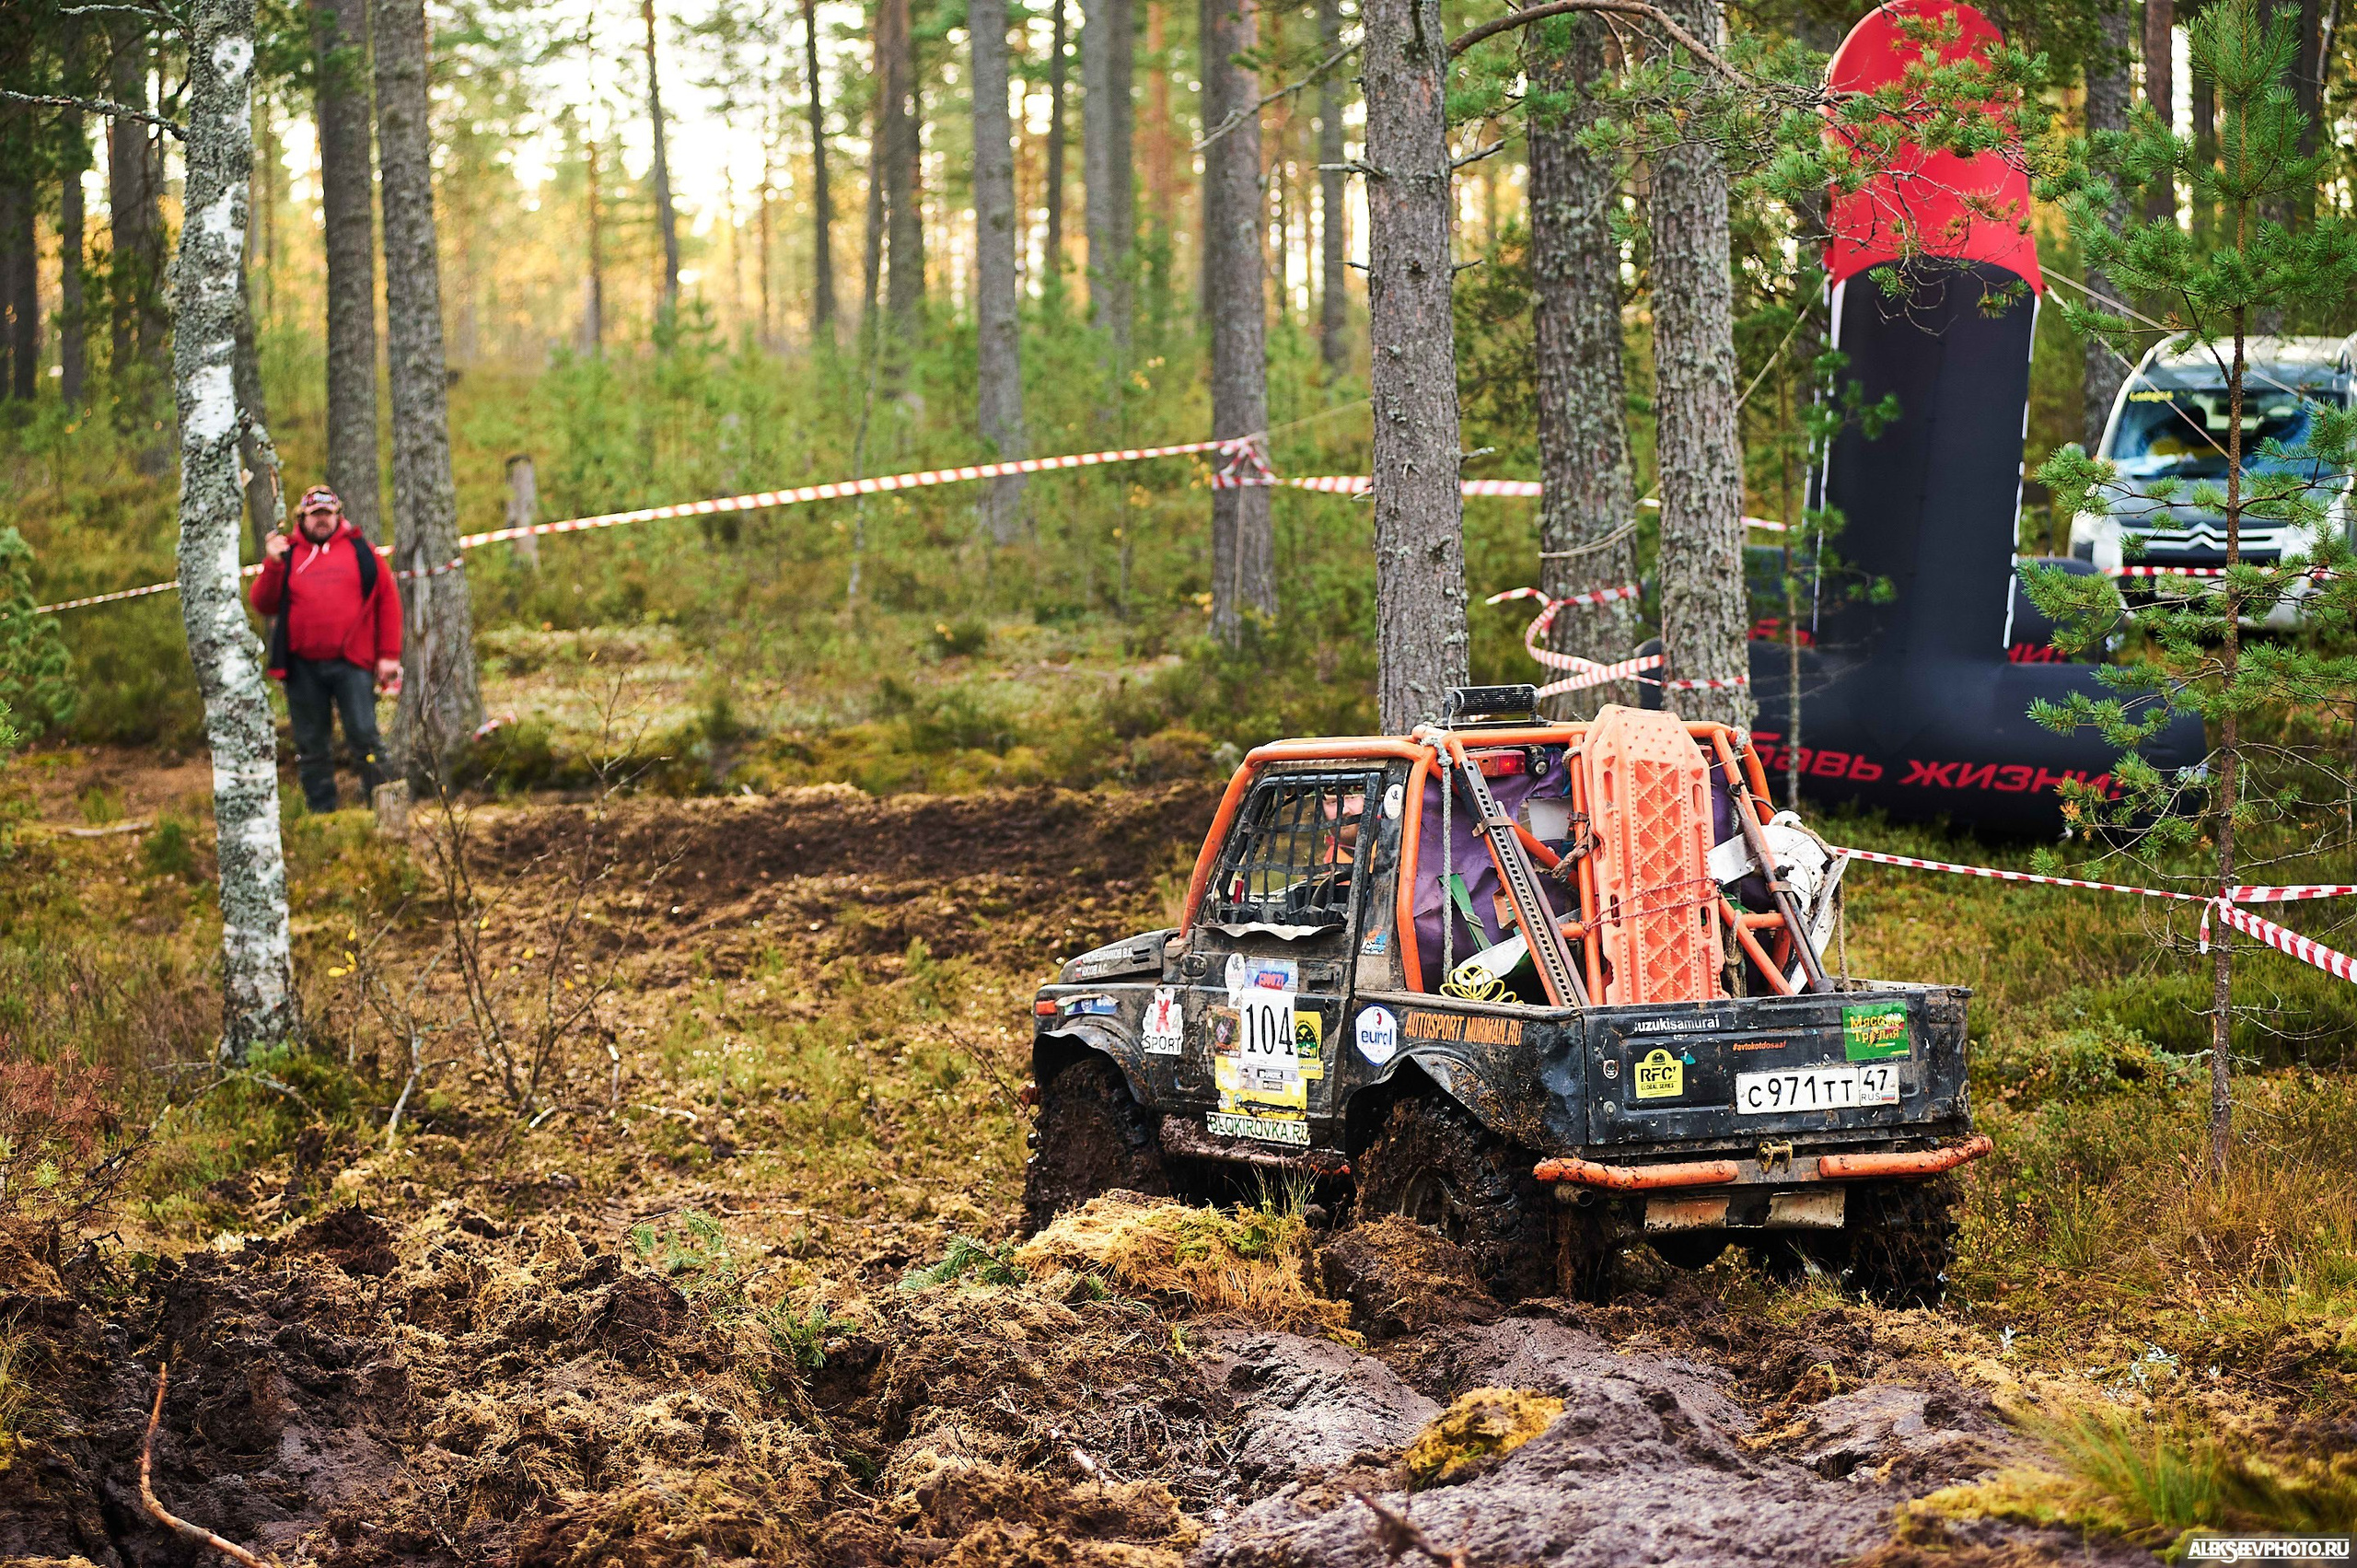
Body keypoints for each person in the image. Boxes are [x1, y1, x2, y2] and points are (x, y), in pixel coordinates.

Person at [250, 486, 403, 812]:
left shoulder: (362, 551)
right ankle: (322, 813)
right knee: (311, 745)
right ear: (301, 518)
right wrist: (273, 564)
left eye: (327, 514)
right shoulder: (288, 553)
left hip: (352, 663)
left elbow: (387, 601)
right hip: (303, 667)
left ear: (338, 516)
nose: (321, 521)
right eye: (314, 515)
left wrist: (388, 654)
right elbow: (263, 604)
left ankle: (386, 808)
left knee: (365, 737)